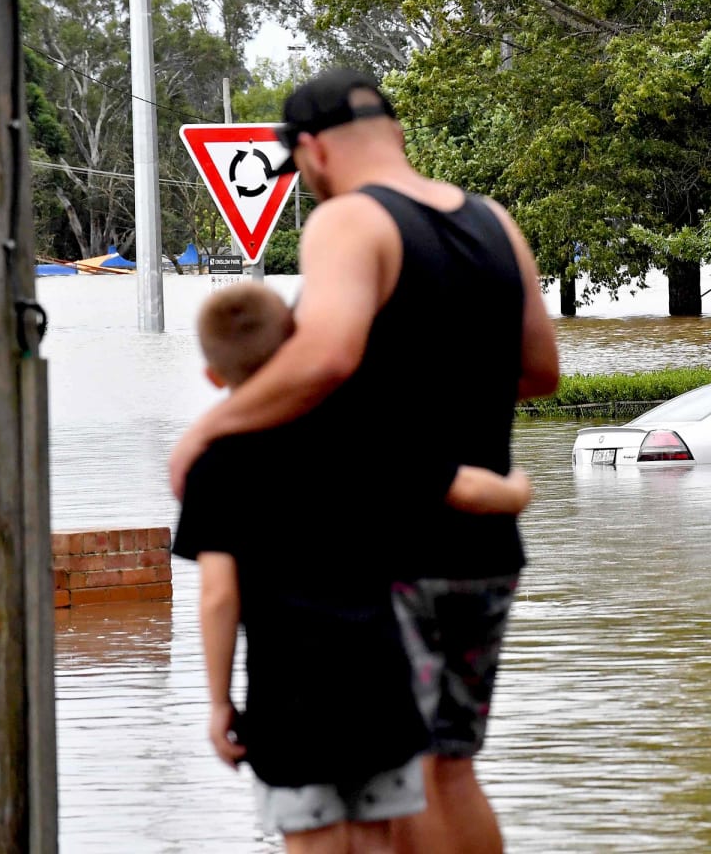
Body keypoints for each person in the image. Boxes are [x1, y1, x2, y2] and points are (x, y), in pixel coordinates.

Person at [169, 68, 560, 854]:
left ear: (310, 150)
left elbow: (327, 355)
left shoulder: (351, 219)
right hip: (485, 549)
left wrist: (206, 433)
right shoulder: (494, 222)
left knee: (408, 770)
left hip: (394, 549)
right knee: (453, 767)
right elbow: (540, 372)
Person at [174, 282, 534, 854]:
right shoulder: (362, 432)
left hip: (286, 701)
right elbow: (461, 486)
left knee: (313, 843)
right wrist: (515, 491)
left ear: (214, 377)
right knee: (375, 842)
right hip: (382, 687)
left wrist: (219, 703)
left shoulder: (216, 467)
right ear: (296, 348)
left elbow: (218, 597)